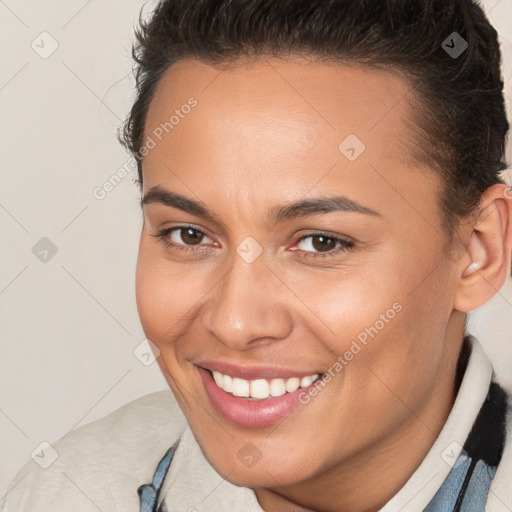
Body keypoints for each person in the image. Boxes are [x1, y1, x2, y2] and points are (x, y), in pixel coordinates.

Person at [3, 0, 512, 510]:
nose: (236, 323)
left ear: (478, 250)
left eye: (321, 242)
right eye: (189, 234)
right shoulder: (65, 492)